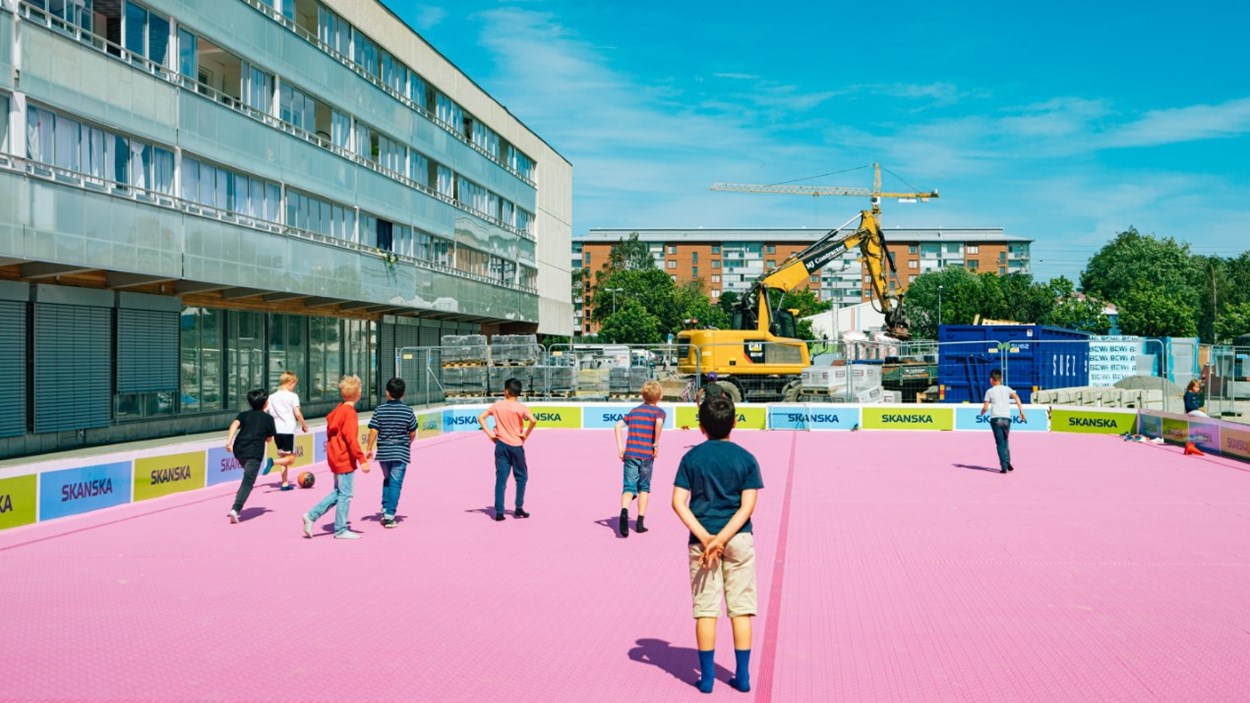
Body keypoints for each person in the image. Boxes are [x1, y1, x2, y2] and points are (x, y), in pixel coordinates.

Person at [671, 395, 763, 694]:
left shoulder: (691, 459)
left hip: (702, 542)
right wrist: (723, 538)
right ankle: (743, 676)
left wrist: (708, 537)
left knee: (706, 609)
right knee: (741, 609)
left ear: (701, 426)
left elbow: (678, 503)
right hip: (738, 539)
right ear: (735, 423)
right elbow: (746, 507)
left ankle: (707, 678)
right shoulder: (746, 459)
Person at [302, 376, 371, 540]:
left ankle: (311, 516)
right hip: (344, 457)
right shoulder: (350, 413)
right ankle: (340, 529)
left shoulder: (339, 410)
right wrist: (361, 459)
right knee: (345, 495)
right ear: (358, 394)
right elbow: (350, 438)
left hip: (335, 456)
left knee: (339, 492)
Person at [478, 377, 537, 521]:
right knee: (521, 477)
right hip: (516, 445)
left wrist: (490, 435)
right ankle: (518, 507)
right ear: (518, 393)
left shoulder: (497, 405)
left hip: (501, 445)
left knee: (501, 479)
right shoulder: (521, 407)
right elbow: (534, 420)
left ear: (506, 391)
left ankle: (499, 511)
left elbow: (481, 418)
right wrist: (525, 435)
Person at [614, 380, 666, 537]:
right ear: (660, 396)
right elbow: (658, 424)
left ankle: (624, 511)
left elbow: (617, 426)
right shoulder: (659, 412)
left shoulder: (634, 411)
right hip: (646, 455)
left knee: (628, 487)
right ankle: (640, 522)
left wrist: (620, 448)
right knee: (644, 487)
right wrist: (656, 444)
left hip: (631, 453)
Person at [365, 377, 417, 528]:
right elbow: (412, 432)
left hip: (384, 453)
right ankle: (389, 515)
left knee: (387, 479)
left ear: (387, 393)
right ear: (403, 394)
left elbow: (374, 430)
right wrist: (407, 444)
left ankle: (384, 507)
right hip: (400, 452)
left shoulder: (379, 410)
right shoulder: (408, 411)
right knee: (395, 484)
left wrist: (369, 449)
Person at [224, 388, 276, 524]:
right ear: (265, 403)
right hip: (254, 453)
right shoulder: (269, 419)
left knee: (247, 477)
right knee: (248, 481)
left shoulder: (244, 415)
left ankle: (240, 495)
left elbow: (234, 424)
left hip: (239, 450)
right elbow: (269, 439)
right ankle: (235, 509)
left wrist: (229, 441)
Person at [265, 371, 309, 491]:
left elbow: (264, 411)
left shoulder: (272, 397)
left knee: (283, 456)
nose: (294, 386)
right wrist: (304, 425)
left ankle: (284, 483)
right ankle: (272, 462)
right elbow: (298, 414)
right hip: (288, 429)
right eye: (294, 383)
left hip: (276, 430)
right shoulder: (293, 396)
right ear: (290, 382)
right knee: (291, 458)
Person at [979, 369, 1026, 474]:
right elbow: (1017, 397)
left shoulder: (989, 391)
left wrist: (982, 412)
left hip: (996, 418)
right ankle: (1008, 462)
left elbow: (986, 407)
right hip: (1007, 418)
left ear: (991, 380)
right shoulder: (1007, 389)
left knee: (999, 443)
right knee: (1005, 441)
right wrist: (1021, 411)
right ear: (1002, 379)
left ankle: (1004, 466)